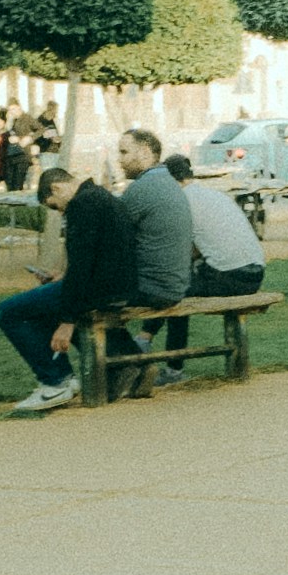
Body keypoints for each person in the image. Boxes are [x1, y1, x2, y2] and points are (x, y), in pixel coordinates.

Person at [0, 163, 136, 415]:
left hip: (96, 289)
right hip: (117, 284)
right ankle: (122, 360)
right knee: (38, 306)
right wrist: (63, 276)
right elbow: (93, 257)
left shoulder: (81, 205)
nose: (59, 213)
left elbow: (82, 267)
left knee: (8, 312)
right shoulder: (101, 196)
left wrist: (68, 321)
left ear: (57, 188)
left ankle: (56, 380)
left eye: (53, 206)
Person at [160, 154, 265, 374]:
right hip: (255, 274)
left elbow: (183, 252)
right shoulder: (213, 195)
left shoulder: (181, 201)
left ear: (169, 180)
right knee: (184, 282)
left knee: (173, 291)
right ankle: (153, 345)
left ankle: (172, 368)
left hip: (231, 277)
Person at [116, 128, 195, 386]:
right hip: (176, 285)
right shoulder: (169, 184)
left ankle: (132, 362)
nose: (120, 159)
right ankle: (131, 361)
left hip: (153, 289)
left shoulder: (141, 189)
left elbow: (110, 240)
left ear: (147, 152)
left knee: (83, 297)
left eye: (125, 152)